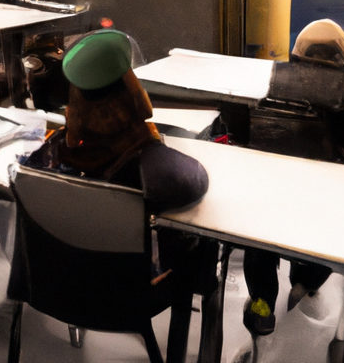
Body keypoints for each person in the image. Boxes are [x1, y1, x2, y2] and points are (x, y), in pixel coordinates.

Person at [20, 29, 211, 297]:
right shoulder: (160, 171)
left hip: (55, 289)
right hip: (124, 298)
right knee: (203, 245)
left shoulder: (44, 159)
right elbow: (196, 181)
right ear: (133, 91)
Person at [241, 18, 344, 336]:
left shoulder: (281, 75)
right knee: (328, 233)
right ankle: (305, 282)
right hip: (321, 202)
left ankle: (263, 305)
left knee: (258, 241)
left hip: (272, 193)